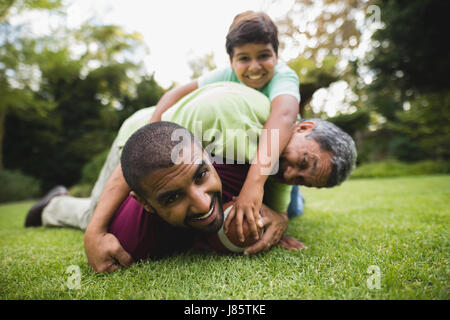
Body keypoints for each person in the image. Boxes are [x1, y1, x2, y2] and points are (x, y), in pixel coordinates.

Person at [25, 82, 357, 272]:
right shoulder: (225, 115)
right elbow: (139, 162)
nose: (288, 173)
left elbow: (274, 203)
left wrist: (280, 220)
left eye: (301, 180)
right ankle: (54, 204)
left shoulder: (269, 160)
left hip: (184, 154)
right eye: (304, 161)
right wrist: (95, 232)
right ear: (303, 126)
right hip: (140, 140)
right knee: (93, 215)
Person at [149, 11, 303, 241]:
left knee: (293, 209)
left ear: (277, 55)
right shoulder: (226, 75)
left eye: (264, 55)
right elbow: (173, 94)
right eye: (243, 58)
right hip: (245, 153)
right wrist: (151, 135)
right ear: (231, 61)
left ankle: (295, 204)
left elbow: (284, 115)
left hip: (276, 155)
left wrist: (255, 185)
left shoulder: (284, 76)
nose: (254, 67)